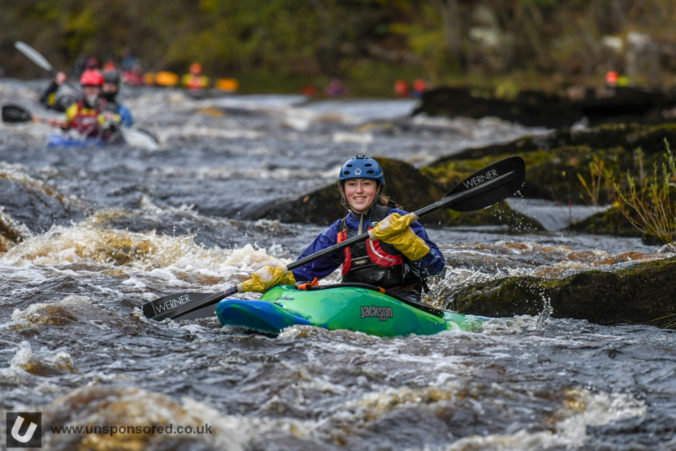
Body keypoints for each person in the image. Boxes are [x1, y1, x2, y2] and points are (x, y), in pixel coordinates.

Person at [239, 155, 446, 305]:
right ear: (343, 190)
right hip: (356, 302)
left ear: (378, 189)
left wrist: (407, 241)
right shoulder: (338, 231)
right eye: (352, 184)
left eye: (366, 184)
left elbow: (436, 269)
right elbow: (306, 269)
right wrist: (276, 276)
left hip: (403, 301)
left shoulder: (399, 221)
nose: (359, 191)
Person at [51, 69, 119, 142]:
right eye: (88, 87)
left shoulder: (108, 106)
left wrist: (109, 123)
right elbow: (48, 105)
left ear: (100, 89)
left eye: (95, 87)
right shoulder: (73, 108)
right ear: (83, 88)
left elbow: (116, 124)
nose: (91, 90)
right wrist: (54, 85)